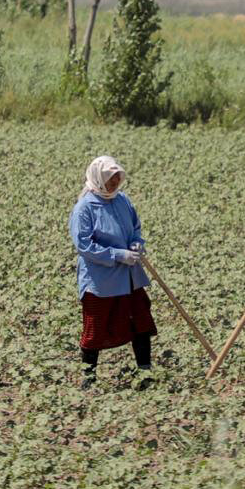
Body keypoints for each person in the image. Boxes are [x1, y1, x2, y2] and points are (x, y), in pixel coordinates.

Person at [69, 156, 157, 386]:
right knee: (95, 328)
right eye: (110, 180)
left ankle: (146, 373)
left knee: (140, 321)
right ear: (98, 179)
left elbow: (135, 228)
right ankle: (89, 379)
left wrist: (137, 243)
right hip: (101, 280)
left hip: (129, 277)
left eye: (117, 179)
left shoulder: (123, 201)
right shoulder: (85, 208)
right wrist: (119, 255)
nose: (114, 184)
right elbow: (84, 245)